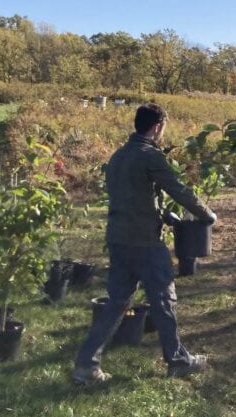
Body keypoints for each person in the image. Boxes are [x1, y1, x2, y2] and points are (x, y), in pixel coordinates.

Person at [72, 103, 217, 385]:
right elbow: (178, 189)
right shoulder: (150, 156)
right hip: (145, 243)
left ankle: (85, 365)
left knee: (116, 302)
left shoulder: (118, 157)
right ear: (157, 127)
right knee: (164, 298)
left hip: (118, 238)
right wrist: (205, 214)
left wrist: (164, 214)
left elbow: (132, 197)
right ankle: (178, 361)